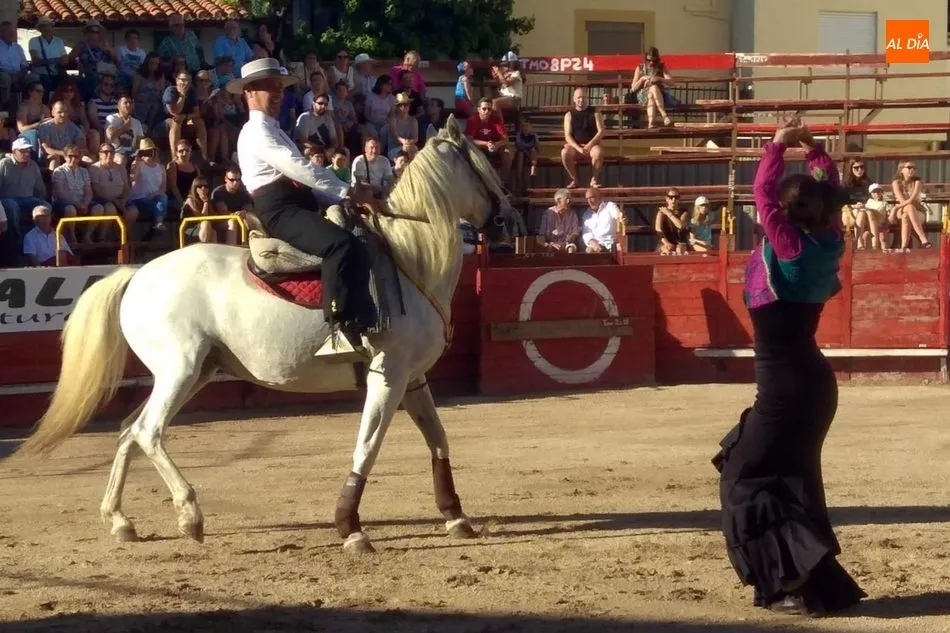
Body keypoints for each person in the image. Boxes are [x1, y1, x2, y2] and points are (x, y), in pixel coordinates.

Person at [712, 116, 865, 617]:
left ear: (785, 215)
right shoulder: (828, 241)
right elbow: (829, 194)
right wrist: (816, 152)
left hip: (783, 390)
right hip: (813, 385)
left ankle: (794, 585)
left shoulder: (791, 245)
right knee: (792, 481)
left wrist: (778, 145)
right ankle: (819, 588)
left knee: (744, 478)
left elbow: (761, 192)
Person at [229, 58, 376, 356]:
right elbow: (299, 169)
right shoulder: (257, 132)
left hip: (296, 202)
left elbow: (303, 178)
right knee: (340, 245)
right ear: (249, 92)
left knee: (360, 239)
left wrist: (343, 200)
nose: (277, 93)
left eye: (279, 87)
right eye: (269, 87)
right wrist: (346, 190)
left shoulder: (275, 129)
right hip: (280, 210)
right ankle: (340, 328)